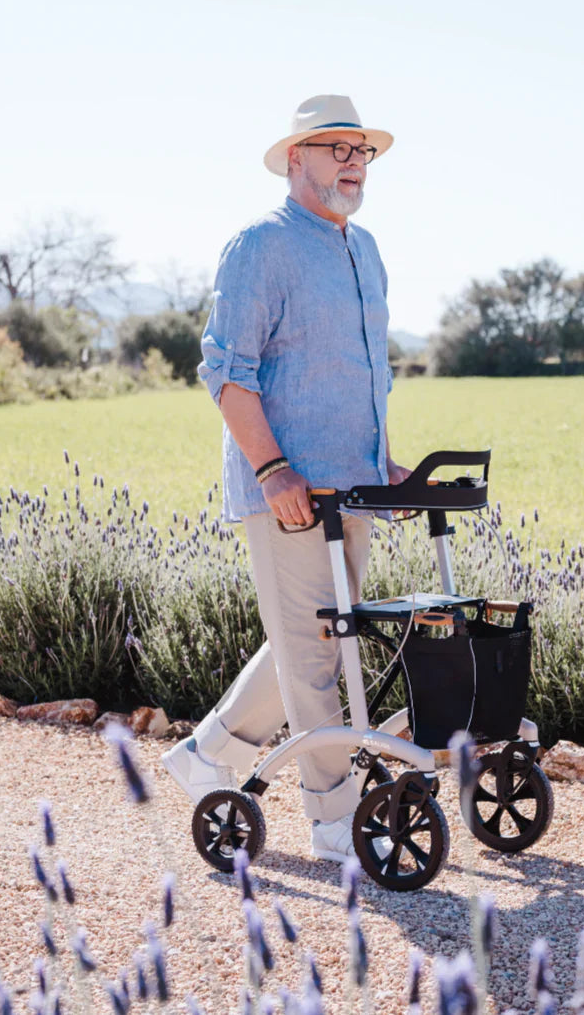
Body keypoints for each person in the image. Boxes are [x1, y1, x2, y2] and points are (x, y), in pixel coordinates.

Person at [162, 94, 410, 862]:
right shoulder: (260, 245)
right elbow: (226, 371)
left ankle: (210, 754)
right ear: (295, 158)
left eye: (360, 149)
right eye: (335, 147)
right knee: (314, 651)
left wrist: (385, 464)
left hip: (353, 487)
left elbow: (366, 376)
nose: (352, 161)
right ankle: (334, 816)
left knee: (317, 639)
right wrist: (272, 469)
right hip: (289, 491)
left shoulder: (364, 248)